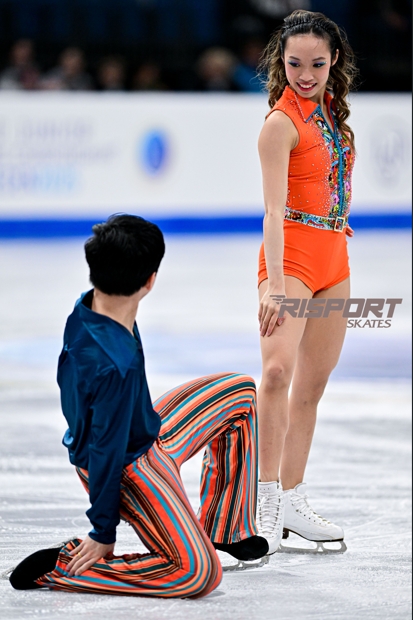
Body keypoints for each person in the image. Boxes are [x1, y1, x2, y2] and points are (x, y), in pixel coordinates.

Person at [9, 215, 267, 597]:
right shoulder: (115, 365)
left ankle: (226, 528)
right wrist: (102, 531)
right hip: (129, 467)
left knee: (240, 394)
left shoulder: (89, 306)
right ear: (150, 281)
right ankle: (65, 567)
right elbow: (105, 451)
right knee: (198, 574)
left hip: (145, 428)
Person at [255, 10, 358, 554]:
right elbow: (274, 211)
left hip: (334, 262)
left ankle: (292, 498)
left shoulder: (333, 113)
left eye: (317, 64)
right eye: (295, 63)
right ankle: (265, 501)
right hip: (291, 258)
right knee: (276, 373)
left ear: (333, 60)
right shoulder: (280, 123)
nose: (305, 75)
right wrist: (273, 284)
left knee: (312, 386)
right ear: (282, 60)